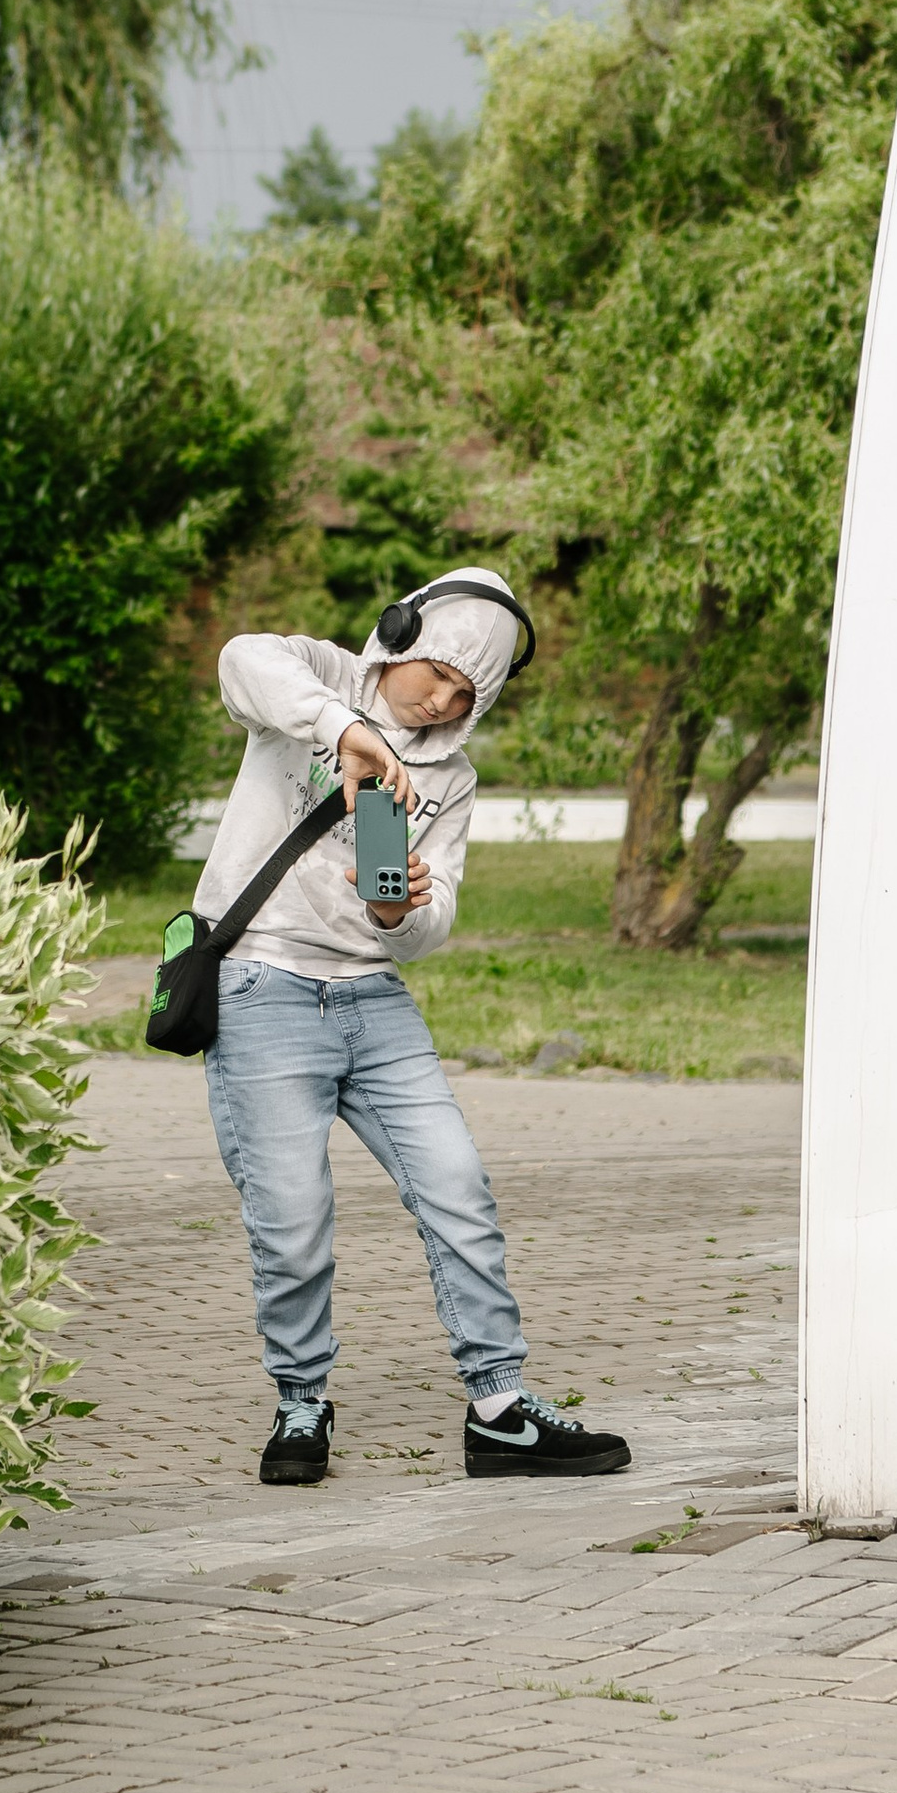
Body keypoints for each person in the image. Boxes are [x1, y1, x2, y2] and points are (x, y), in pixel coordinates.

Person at [195, 572, 633, 1489]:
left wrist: (405, 916)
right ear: (401, 635)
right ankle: (300, 1406)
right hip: (264, 987)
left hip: (374, 1001)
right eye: (437, 671)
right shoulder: (313, 678)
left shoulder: (454, 776)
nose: (441, 701)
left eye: (466, 694)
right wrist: (345, 734)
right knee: (293, 1220)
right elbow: (241, 661)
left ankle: (500, 1411)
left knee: (458, 1191)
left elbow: (433, 923)